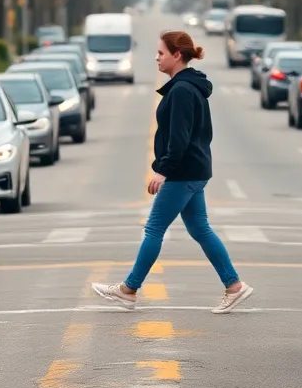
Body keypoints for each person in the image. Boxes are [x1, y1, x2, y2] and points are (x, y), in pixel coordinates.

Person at [92, 29, 253, 314]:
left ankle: (129, 289)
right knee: (200, 229)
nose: (156, 58)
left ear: (177, 55)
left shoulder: (181, 90)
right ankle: (234, 286)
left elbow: (179, 138)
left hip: (183, 172)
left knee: (154, 228)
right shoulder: (189, 87)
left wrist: (162, 171)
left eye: (161, 53)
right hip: (194, 169)